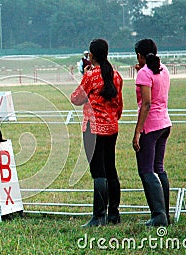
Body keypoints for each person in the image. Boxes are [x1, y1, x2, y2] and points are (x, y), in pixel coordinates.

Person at [71, 39, 123, 227]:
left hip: (93, 129)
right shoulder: (116, 76)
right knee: (111, 170)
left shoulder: (91, 76)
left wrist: (84, 75)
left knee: (98, 172)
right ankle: (113, 214)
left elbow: (76, 99)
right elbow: (119, 105)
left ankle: (98, 216)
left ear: (91, 56)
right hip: (111, 128)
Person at [133, 38, 172, 226]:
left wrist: (138, 131)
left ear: (140, 56)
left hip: (151, 126)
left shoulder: (144, 74)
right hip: (165, 123)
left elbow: (146, 104)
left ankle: (158, 215)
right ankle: (165, 213)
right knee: (159, 168)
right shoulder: (163, 69)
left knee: (146, 170)